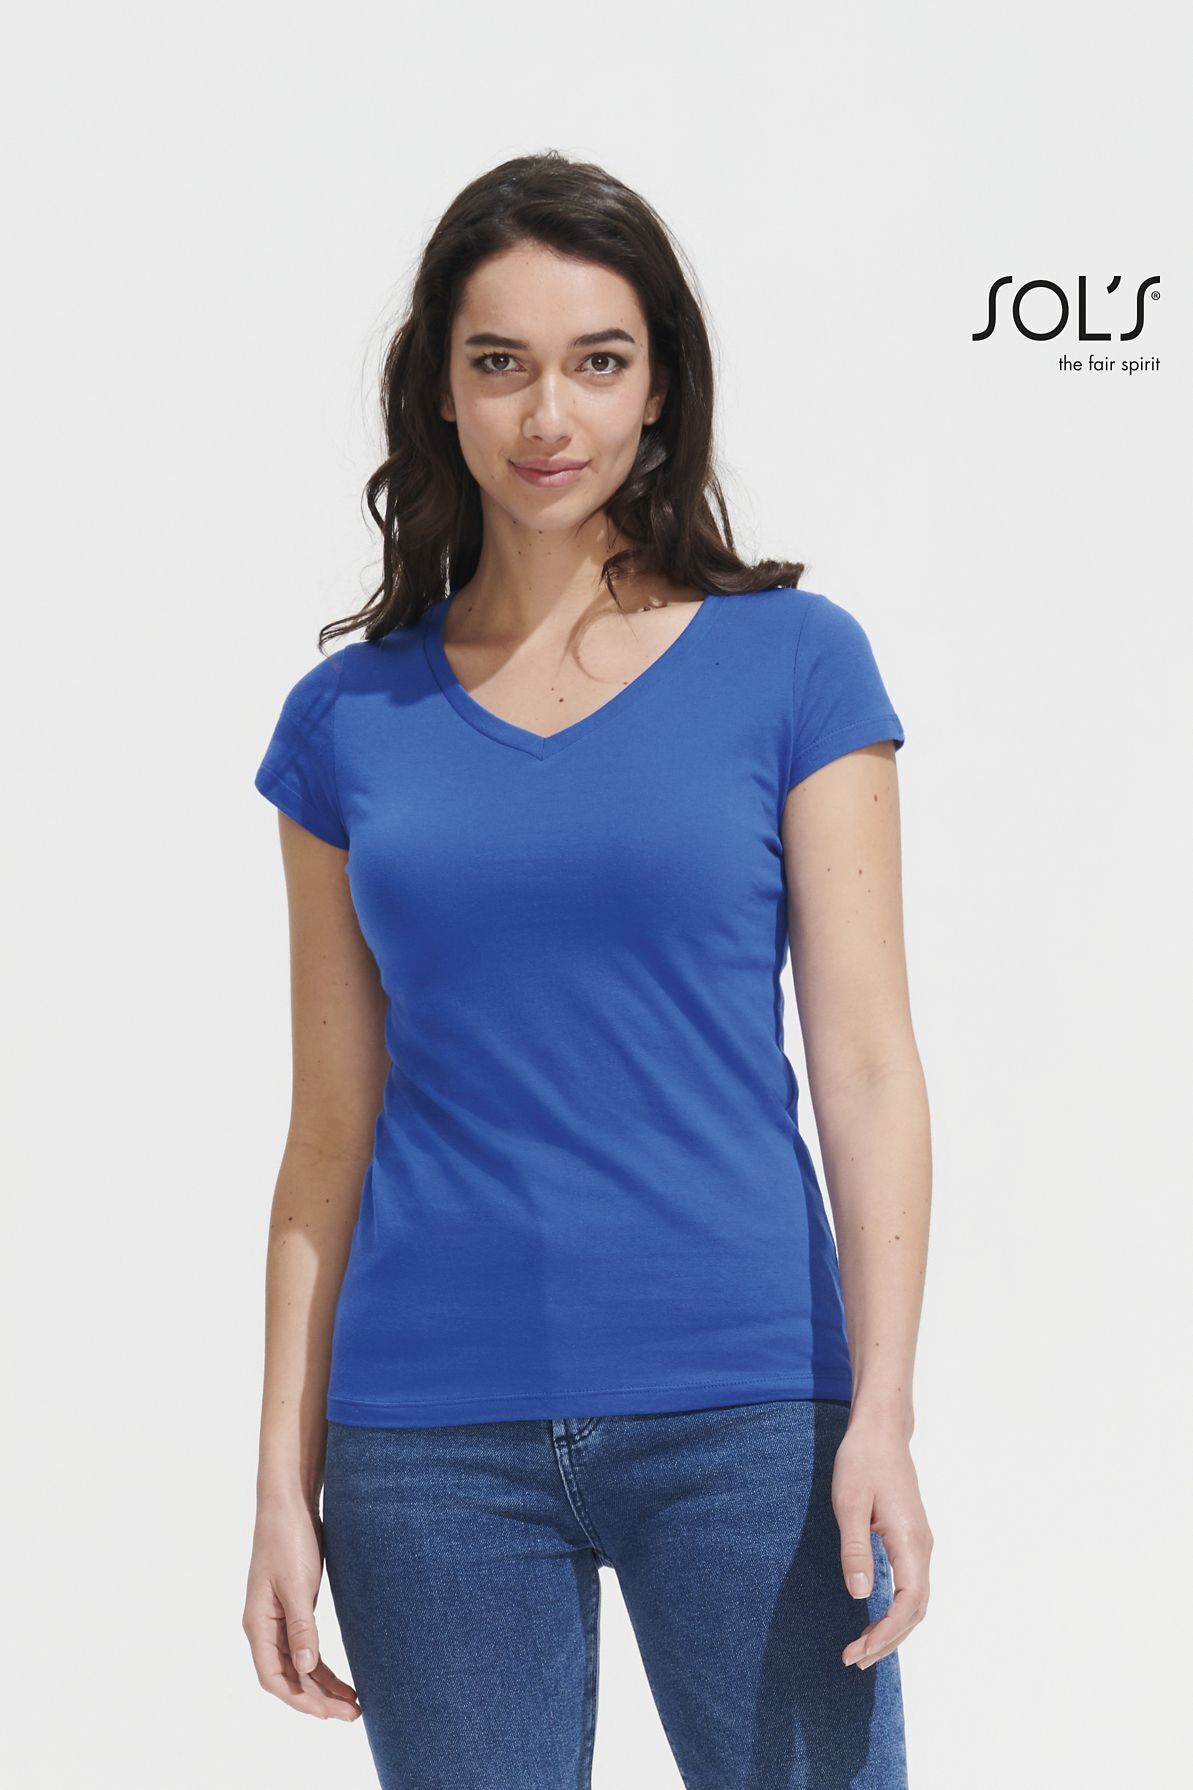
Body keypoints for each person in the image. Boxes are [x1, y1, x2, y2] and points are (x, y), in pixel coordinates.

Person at [242, 149, 932, 1790]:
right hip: (426, 1439)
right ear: (439, 389)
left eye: (596, 361)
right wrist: (279, 1474)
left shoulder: (794, 664)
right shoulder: (346, 723)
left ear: (657, 385)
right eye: (500, 362)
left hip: (746, 1404)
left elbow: (865, 1067)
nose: (547, 414)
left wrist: (884, 1408)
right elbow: (329, 1127)